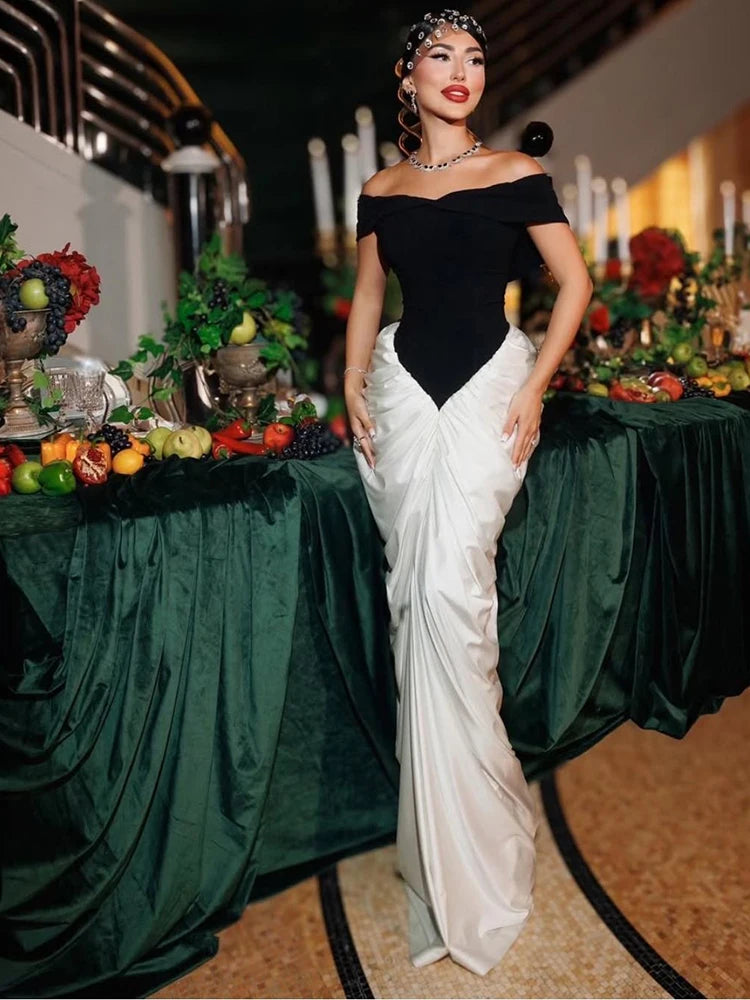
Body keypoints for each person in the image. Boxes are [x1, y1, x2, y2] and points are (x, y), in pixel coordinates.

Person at [344, 8, 593, 977]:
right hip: (403, 394)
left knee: (456, 593)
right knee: (415, 599)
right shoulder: (381, 189)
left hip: (492, 390)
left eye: (476, 57)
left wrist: (535, 389)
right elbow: (371, 294)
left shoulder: (516, 174)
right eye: (441, 55)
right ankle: (437, 850)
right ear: (407, 77)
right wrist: (352, 383)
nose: (462, 70)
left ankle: (484, 839)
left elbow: (573, 285)